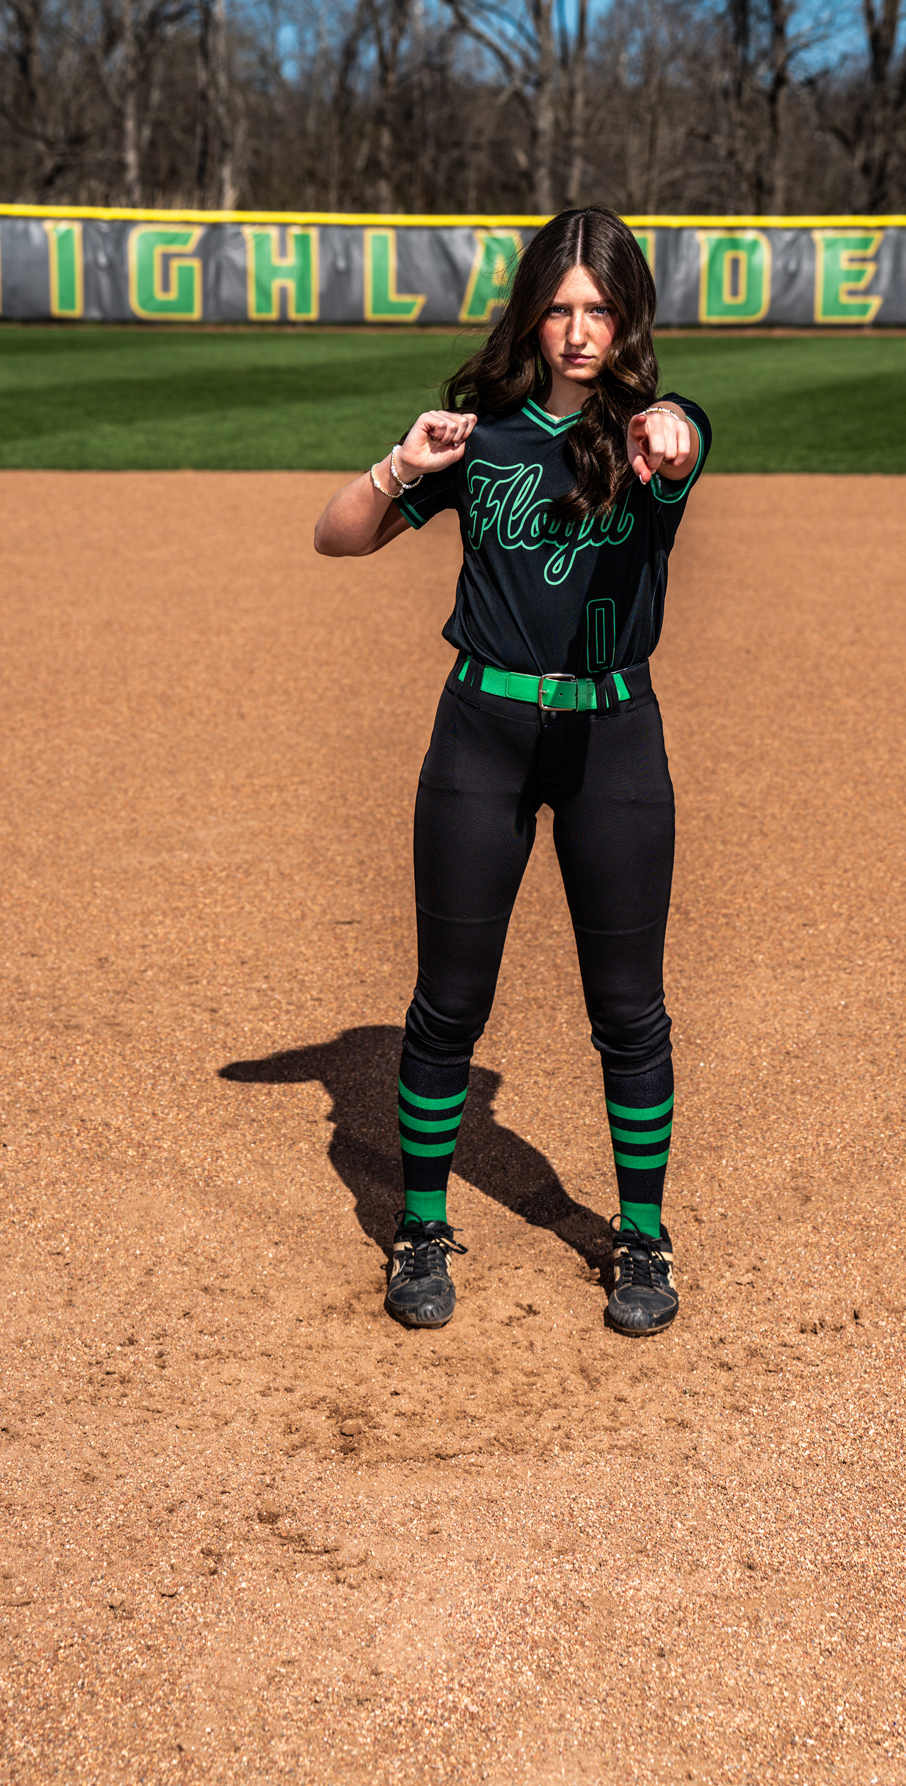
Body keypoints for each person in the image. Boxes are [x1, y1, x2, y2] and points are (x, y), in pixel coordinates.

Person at [313, 206, 711, 1337]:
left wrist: (672, 431)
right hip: (480, 733)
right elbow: (335, 536)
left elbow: (681, 435)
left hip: (612, 738)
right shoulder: (478, 437)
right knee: (448, 1002)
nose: (579, 330)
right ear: (531, 313)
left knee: (628, 1010)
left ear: (629, 319)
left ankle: (642, 1236)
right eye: (560, 307)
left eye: (601, 309)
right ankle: (421, 1227)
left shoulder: (653, 436)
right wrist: (400, 464)